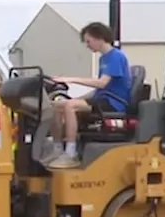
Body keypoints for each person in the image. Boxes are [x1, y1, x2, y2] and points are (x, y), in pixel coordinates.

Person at [44, 21, 133, 169]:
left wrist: (71, 79)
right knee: (54, 106)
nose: (87, 45)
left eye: (88, 41)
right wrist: (79, 99)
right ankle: (58, 148)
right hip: (102, 99)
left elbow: (102, 84)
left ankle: (70, 153)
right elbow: (99, 91)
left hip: (114, 102)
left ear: (99, 37)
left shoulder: (116, 57)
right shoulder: (104, 59)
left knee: (69, 106)